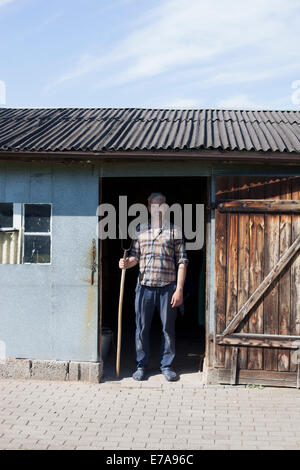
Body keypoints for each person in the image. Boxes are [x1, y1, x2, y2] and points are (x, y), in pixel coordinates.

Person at [118, 192, 188, 381]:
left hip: (168, 287)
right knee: (141, 328)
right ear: (148, 208)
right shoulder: (140, 230)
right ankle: (141, 366)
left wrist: (179, 289)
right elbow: (135, 257)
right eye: (153, 205)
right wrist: (126, 263)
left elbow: (182, 261)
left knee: (167, 329)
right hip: (144, 287)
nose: (157, 209)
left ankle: (167, 366)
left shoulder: (175, 231)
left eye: (161, 205)